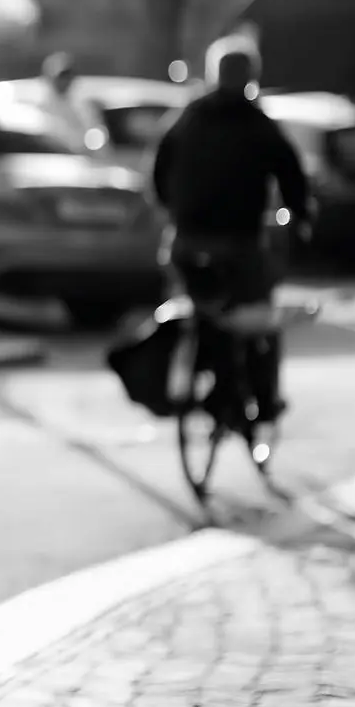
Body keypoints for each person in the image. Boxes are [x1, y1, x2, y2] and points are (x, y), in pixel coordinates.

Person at [149, 33, 311, 423]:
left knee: (202, 302)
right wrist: (301, 219)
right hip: (238, 245)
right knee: (259, 315)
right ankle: (265, 401)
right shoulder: (259, 125)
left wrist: (175, 214)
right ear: (251, 77)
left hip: (185, 245)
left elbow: (157, 174)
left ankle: (202, 373)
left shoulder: (186, 118)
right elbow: (292, 178)